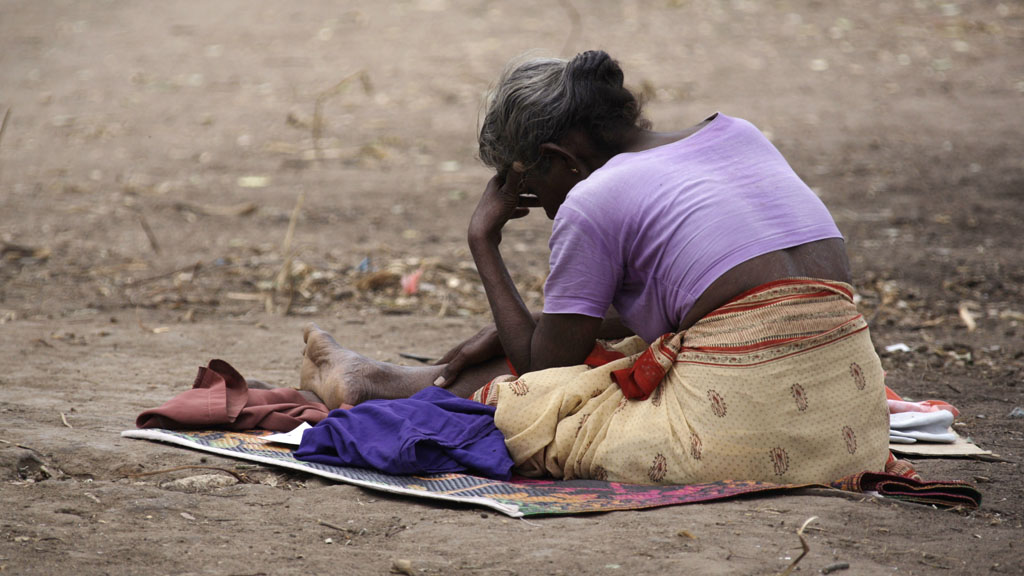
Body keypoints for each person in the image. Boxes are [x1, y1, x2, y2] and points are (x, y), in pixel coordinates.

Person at [300, 50, 890, 485]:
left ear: (560, 159)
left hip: (748, 430)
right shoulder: (739, 134)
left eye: (527, 189)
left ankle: (371, 384)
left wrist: (484, 240)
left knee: (540, 400)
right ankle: (370, 377)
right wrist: (535, 322)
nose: (541, 208)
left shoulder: (595, 194)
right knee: (615, 345)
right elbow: (714, 288)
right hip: (851, 415)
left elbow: (542, 369)